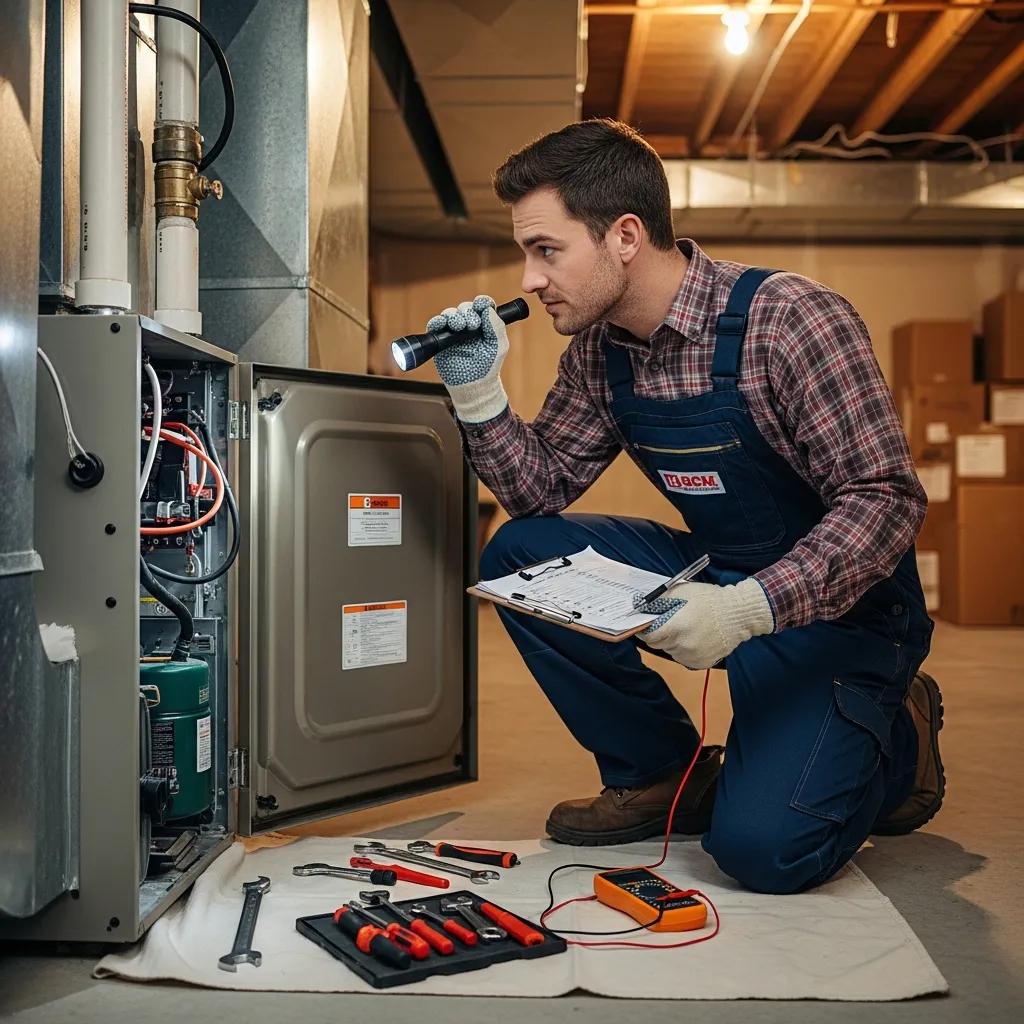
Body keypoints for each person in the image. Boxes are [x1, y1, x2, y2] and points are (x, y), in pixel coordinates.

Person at [426, 119, 945, 895]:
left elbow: (887, 498)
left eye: (546, 250)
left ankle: (899, 730)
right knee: (519, 553)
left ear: (624, 236)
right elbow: (539, 493)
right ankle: (662, 771)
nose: (529, 280)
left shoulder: (790, 319)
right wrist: (478, 394)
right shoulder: (601, 355)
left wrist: (748, 609)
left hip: (847, 616)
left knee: (764, 854)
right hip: (722, 576)